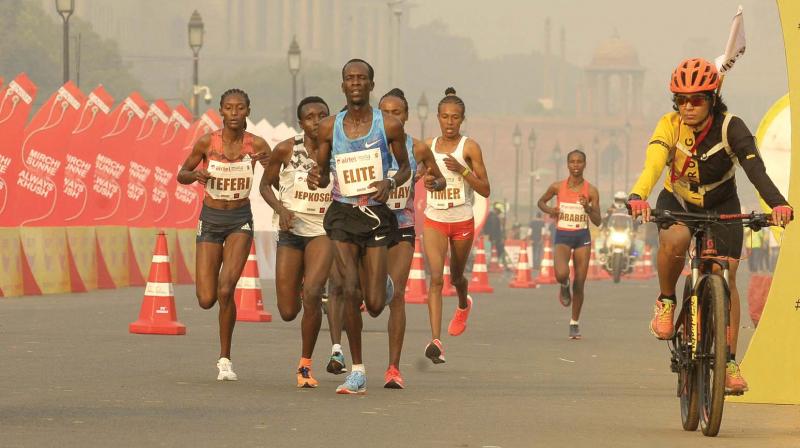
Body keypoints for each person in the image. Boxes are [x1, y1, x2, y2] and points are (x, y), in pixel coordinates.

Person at [627, 58, 793, 394]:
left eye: (696, 100)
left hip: (722, 204)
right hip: (679, 200)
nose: (687, 107)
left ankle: (729, 361)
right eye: (681, 100)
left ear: (712, 99)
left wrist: (777, 204)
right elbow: (653, 165)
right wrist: (638, 195)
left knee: (726, 274)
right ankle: (666, 300)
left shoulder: (732, 127)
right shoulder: (669, 125)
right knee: (676, 239)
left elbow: (756, 170)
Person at [307, 59, 411, 394]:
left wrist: (390, 181)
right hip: (343, 213)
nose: (355, 83)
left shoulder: (389, 125)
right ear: (342, 86)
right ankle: (358, 370)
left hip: (377, 213)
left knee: (377, 304)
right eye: (349, 78)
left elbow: (406, 168)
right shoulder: (328, 127)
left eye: (361, 78)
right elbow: (322, 172)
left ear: (371, 85)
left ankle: (385, 287)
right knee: (349, 288)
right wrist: (316, 176)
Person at [176, 88, 270, 381]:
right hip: (211, 219)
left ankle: (225, 359)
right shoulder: (207, 142)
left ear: (247, 111)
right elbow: (182, 174)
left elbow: (274, 176)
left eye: (239, 108)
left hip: (239, 220)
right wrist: (196, 175)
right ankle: (216, 281)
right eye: (228, 108)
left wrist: (270, 166)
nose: (234, 113)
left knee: (227, 289)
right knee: (206, 298)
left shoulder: (256, 144)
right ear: (221, 111)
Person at [260, 96, 333, 388]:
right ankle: (307, 288)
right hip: (291, 231)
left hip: (323, 231)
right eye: (310, 117)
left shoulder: (340, 151)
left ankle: (305, 365)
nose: (316, 122)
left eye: (322, 116)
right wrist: (281, 210)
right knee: (288, 311)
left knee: (313, 293)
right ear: (300, 123)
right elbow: (265, 185)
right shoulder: (286, 149)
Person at [376, 87, 445, 388]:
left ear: (406, 116)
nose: (390, 117)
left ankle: (393, 368)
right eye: (385, 112)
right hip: (366, 224)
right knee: (365, 295)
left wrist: (433, 180)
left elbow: (439, 176)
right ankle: (346, 356)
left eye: (396, 112)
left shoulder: (417, 149)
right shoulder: (362, 146)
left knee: (398, 294)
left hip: (401, 225)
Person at [423, 87, 491, 364]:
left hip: (462, 217)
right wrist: (425, 180)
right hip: (435, 218)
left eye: (455, 118)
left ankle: (464, 303)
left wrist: (461, 170)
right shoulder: (427, 147)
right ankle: (436, 341)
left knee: (456, 277)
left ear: (462, 119)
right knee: (436, 278)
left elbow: (485, 189)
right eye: (445, 117)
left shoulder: (469, 147)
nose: (450, 122)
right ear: (437, 118)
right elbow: (418, 174)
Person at [537, 149, 601, 339]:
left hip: (582, 236)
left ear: (584, 164)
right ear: (567, 164)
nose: (575, 165)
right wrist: (551, 210)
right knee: (561, 273)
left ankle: (574, 323)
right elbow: (541, 202)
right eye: (572, 162)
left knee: (580, 282)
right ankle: (563, 285)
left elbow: (598, 221)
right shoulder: (557, 187)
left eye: (579, 162)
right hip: (563, 235)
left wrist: (588, 208)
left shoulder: (591, 190)